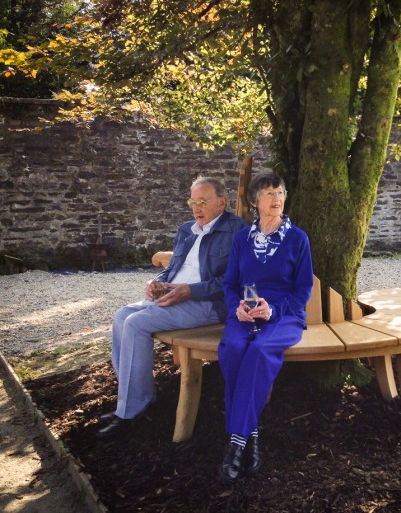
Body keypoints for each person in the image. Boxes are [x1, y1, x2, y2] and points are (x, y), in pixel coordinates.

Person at [96, 176, 247, 441]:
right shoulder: (186, 230)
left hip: (209, 305)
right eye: (193, 201)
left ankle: (130, 411)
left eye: (203, 201)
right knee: (122, 315)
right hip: (173, 297)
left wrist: (190, 291)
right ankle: (135, 397)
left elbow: (234, 280)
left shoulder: (237, 231)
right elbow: (174, 268)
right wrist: (158, 282)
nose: (196, 207)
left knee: (136, 323)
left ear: (222, 202)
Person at [217, 172, 314, 483]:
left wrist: (275, 309)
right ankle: (252, 431)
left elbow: (304, 288)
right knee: (232, 349)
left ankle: (236, 444)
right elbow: (230, 283)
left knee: (258, 351)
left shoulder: (297, 238)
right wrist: (236, 307)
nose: (277, 199)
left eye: (281, 192)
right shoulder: (241, 239)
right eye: (269, 193)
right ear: (254, 201)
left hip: (285, 317)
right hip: (244, 315)